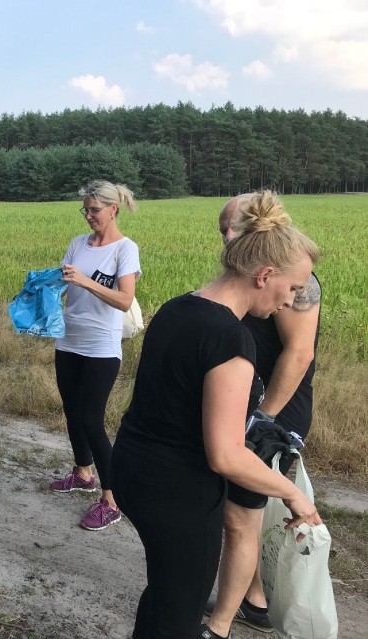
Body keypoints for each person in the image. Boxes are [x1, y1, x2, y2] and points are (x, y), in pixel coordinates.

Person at [110, 190, 323, 639]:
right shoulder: (231, 340)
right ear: (265, 275)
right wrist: (294, 495)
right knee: (179, 614)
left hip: (133, 469)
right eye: (293, 287)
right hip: (178, 493)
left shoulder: (178, 308)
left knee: (166, 590)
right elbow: (225, 456)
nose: (293, 300)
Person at [205, 195, 322, 637]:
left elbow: (298, 353)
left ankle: (217, 625)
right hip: (242, 403)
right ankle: (253, 600)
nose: (226, 239)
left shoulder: (297, 282)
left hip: (272, 413)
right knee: (242, 515)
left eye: (234, 229)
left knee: (240, 518)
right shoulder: (250, 277)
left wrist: (261, 418)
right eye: (222, 231)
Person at [50, 180, 141, 532]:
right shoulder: (77, 244)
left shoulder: (124, 249)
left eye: (94, 210)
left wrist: (85, 281)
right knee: (72, 411)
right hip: (68, 339)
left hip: (101, 346)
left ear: (113, 209)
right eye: (85, 210)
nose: (88, 216)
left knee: (91, 419)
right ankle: (83, 473)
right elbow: (64, 283)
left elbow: (123, 300)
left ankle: (111, 499)